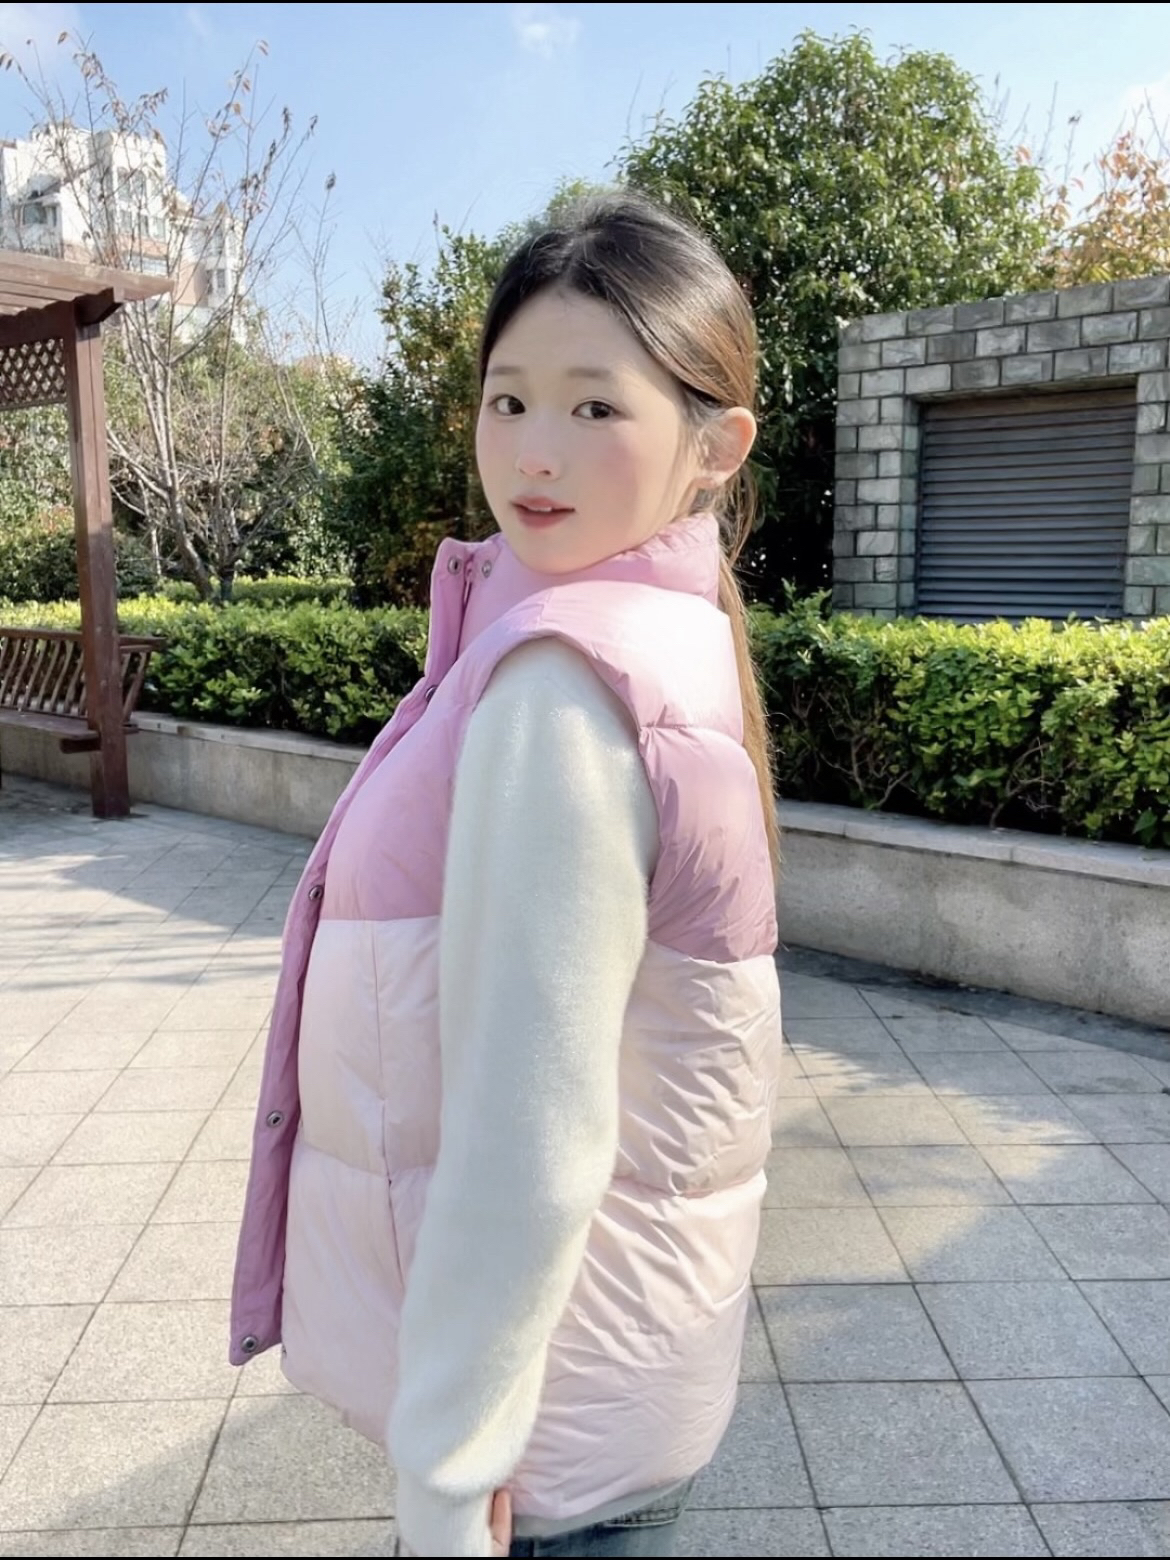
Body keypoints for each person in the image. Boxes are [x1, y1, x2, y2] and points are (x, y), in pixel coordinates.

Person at [230, 191, 783, 1559]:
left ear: (715, 447)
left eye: (596, 407)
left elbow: (531, 1130)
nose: (534, 451)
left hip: (534, 1449)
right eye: (509, 400)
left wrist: (447, 1466)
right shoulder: (656, 638)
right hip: (610, 1383)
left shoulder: (558, 685)